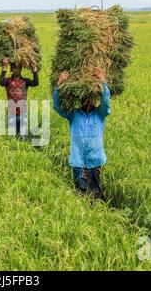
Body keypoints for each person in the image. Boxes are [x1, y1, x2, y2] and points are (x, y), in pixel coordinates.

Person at [52, 68, 110, 202]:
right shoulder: (73, 114)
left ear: (95, 99)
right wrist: (59, 85)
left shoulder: (100, 114)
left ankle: (99, 215)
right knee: (81, 195)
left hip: (95, 162)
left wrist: (103, 82)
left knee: (96, 193)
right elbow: (57, 107)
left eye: (91, 99)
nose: (88, 101)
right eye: (85, 98)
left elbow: (106, 103)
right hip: (78, 162)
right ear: (81, 98)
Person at [0, 57, 39, 140]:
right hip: (12, 113)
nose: (16, 70)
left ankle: (23, 148)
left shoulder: (25, 81)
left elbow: (35, 83)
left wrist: (34, 69)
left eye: (18, 68)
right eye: (14, 68)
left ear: (21, 69)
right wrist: (4, 68)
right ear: (11, 70)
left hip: (23, 113)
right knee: (12, 136)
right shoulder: (8, 81)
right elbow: (1, 82)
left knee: (23, 136)